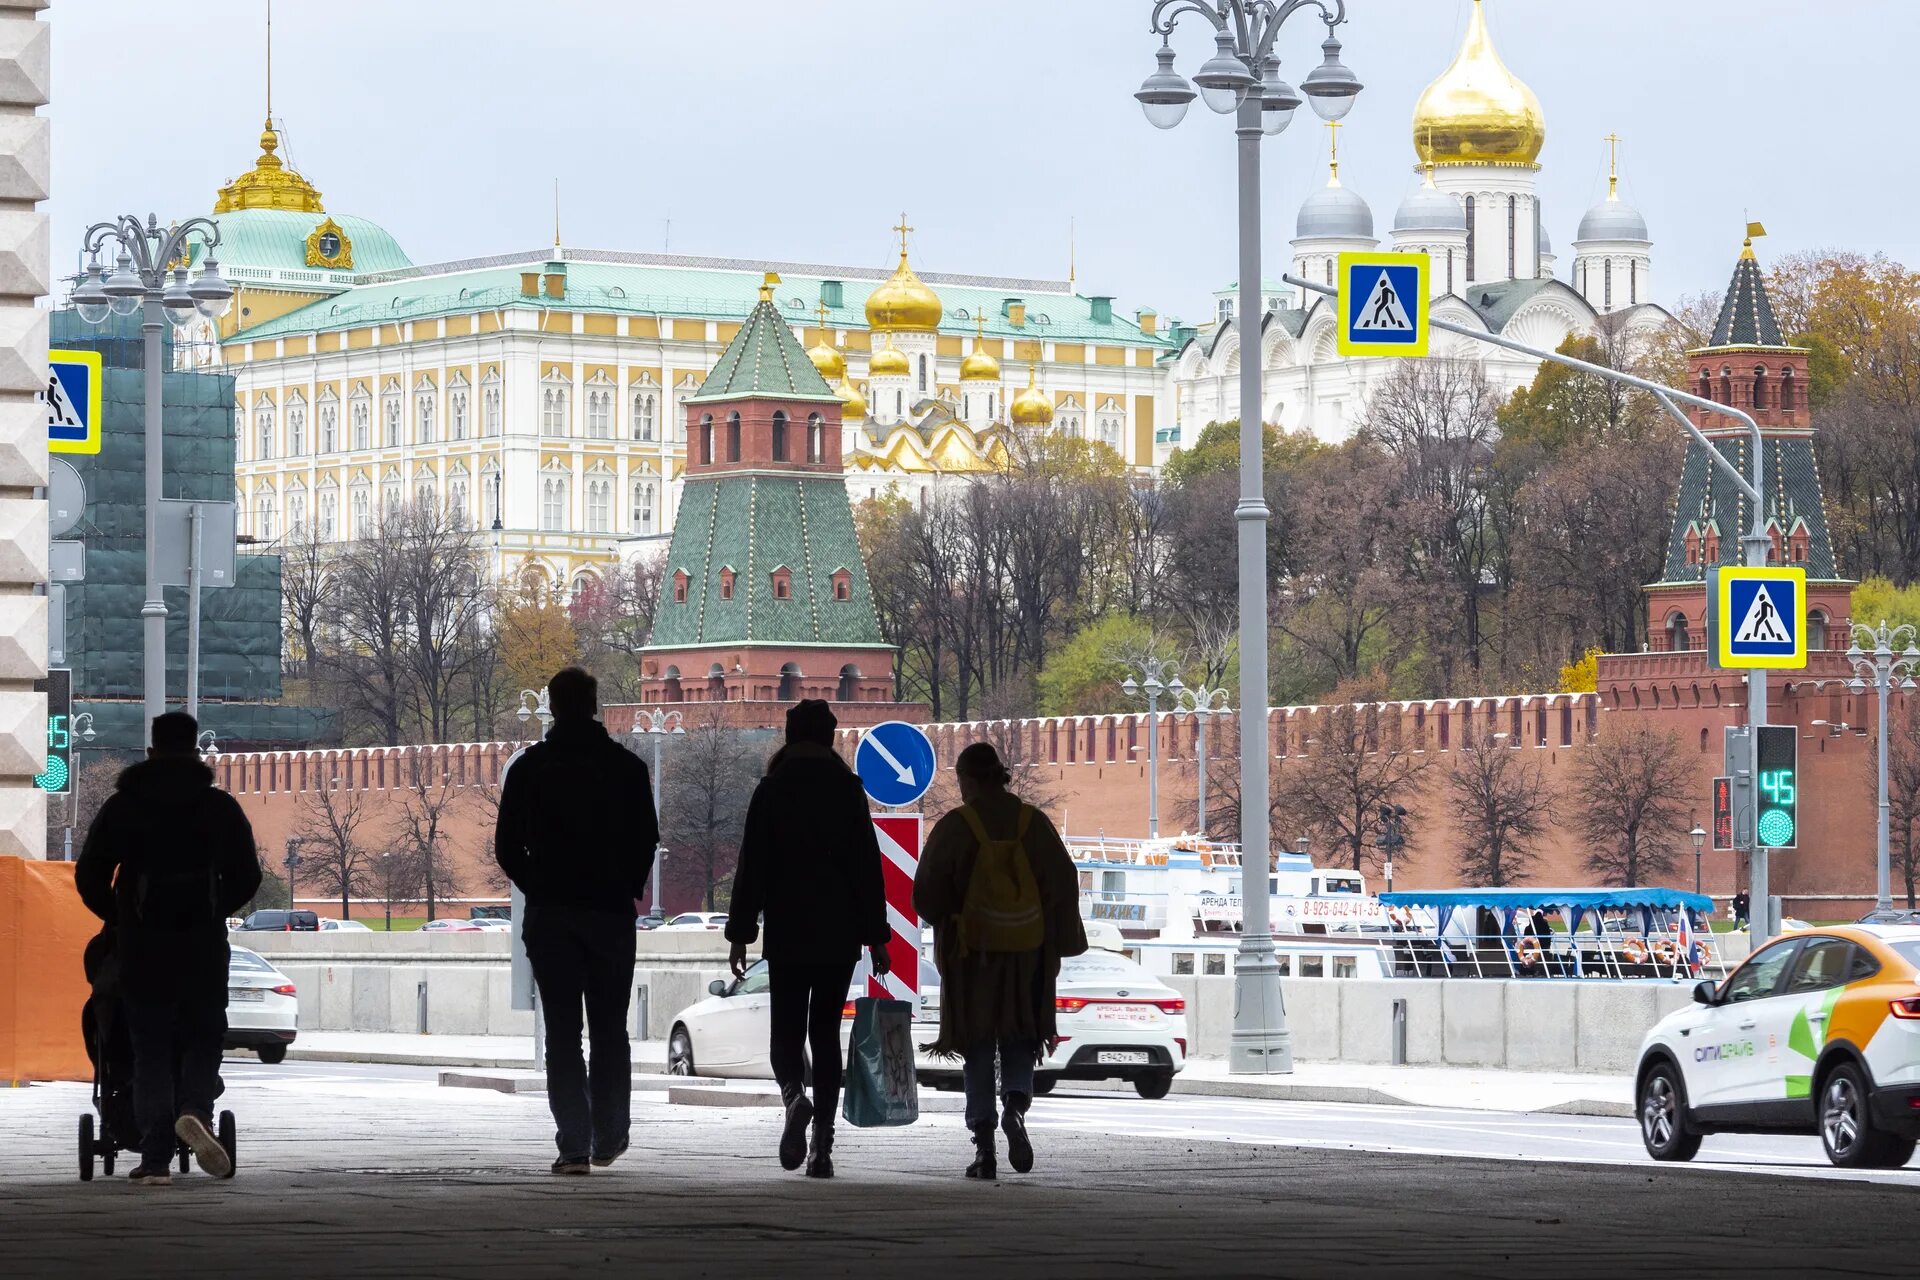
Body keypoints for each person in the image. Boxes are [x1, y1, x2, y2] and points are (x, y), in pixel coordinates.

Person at [75, 711, 261, 1186]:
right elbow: (248, 876)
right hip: (201, 947)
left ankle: (155, 1157)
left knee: (149, 1047)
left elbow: (90, 874)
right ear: (196, 751)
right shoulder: (218, 808)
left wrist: (121, 918)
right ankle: (195, 1110)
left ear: (152, 751)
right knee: (203, 1035)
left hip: (143, 950)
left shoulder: (124, 807)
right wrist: (213, 909)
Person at [495, 667, 658, 1175]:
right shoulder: (627, 768)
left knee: (563, 1033)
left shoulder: (531, 769)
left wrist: (540, 886)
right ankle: (610, 1135)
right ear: (593, 706)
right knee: (610, 1028)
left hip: (553, 918)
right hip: (610, 916)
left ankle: (573, 1144)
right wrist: (625, 887)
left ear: (554, 706)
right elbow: (646, 838)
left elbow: (505, 848)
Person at [727, 700, 889, 1179]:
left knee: (787, 1030)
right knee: (825, 1033)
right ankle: (822, 1147)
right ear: (830, 738)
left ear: (790, 735)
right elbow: (867, 868)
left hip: (790, 929)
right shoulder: (848, 789)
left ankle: (795, 1097)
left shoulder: (772, 790)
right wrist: (876, 937)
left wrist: (740, 934)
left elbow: (750, 867)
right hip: (838, 934)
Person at [914, 743, 1085, 1180]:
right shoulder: (1034, 824)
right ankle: (1015, 1106)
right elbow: (1064, 881)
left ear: (968, 780)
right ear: (1001, 776)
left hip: (971, 954)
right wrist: (1050, 934)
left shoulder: (957, 825)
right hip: (1027, 954)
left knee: (976, 1042)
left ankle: (984, 1145)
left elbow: (926, 894)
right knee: (1020, 1035)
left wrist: (954, 917)